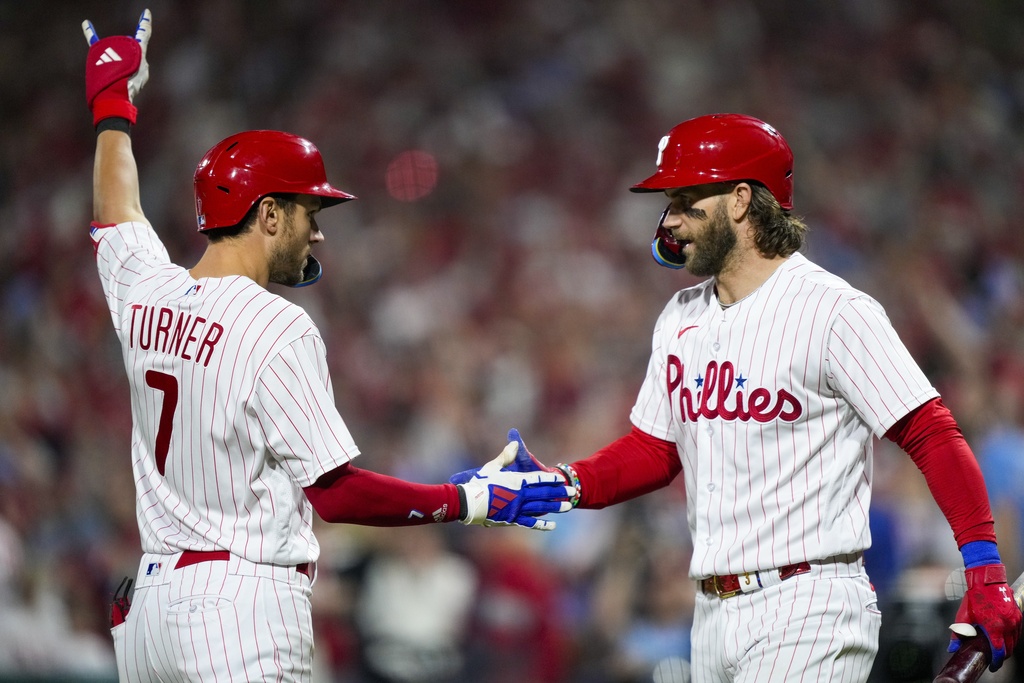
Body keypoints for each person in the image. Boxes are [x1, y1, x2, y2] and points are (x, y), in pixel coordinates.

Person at [82, 11, 573, 683]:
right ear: (269, 214)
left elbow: (116, 211)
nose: (317, 234)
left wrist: (111, 105)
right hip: (240, 607)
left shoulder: (146, 291)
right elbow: (337, 494)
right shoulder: (276, 324)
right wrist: (472, 500)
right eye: (309, 213)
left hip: (152, 611)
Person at [467, 113, 1023, 681]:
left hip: (807, 604)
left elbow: (932, 434)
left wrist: (983, 567)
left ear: (739, 201)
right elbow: (655, 452)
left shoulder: (833, 310)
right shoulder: (680, 317)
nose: (670, 220)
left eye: (685, 200)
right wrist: (565, 485)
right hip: (708, 613)